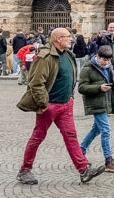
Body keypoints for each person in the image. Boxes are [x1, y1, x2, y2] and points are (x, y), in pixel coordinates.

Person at [15, 27, 105, 185]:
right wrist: (43, 103)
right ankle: (24, 170)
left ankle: (84, 169)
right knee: (38, 137)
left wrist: (70, 97)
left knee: (71, 136)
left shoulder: (68, 54)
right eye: (67, 37)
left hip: (65, 104)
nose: (71, 39)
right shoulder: (45, 57)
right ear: (57, 39)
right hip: (49, 106)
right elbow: (36, 83)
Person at [78, 45, 114, 172]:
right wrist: (99, 88)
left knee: (96, 130)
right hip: (95, 103)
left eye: (109, 60)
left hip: (105, 102)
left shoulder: (109, 67)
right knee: (106, 131)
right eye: (104, 60)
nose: (107, 63)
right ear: (98, 57)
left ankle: (80, 152)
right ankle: (109, 161)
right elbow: (81, 88)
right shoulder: (87, 68)